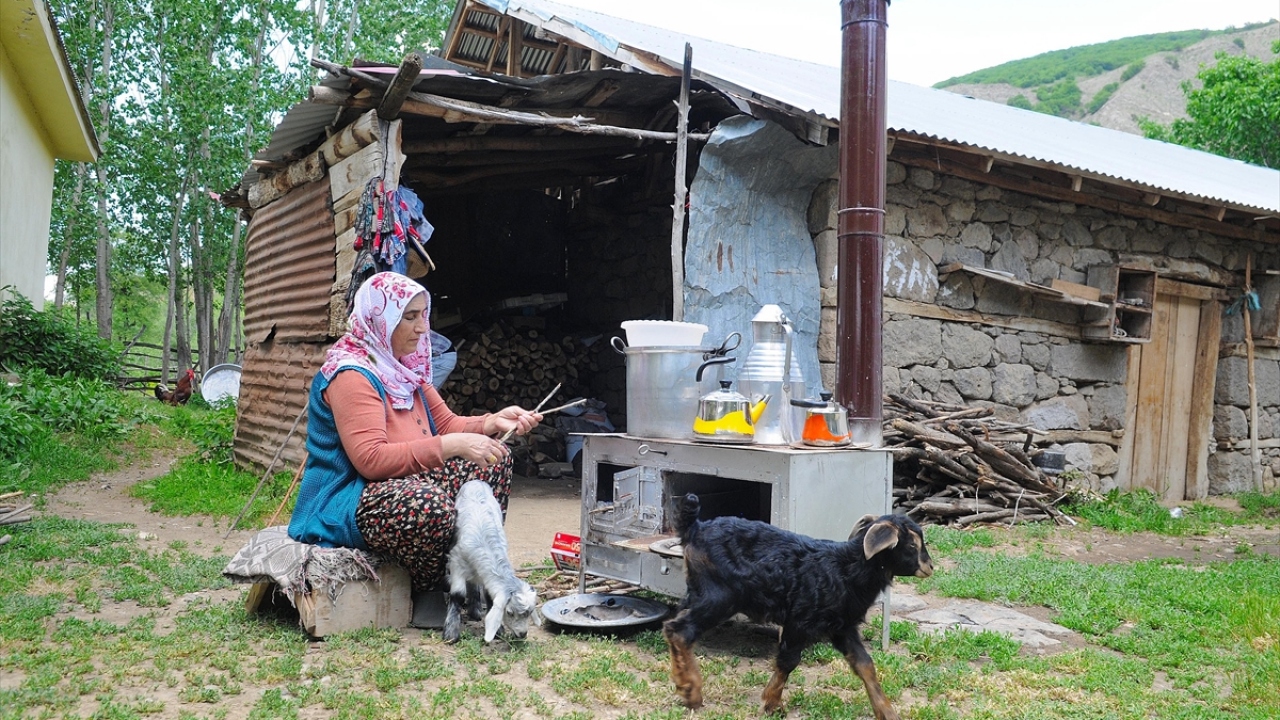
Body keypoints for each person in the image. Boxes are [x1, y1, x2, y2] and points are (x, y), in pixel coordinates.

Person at [288, 271, 542, 591]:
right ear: (380, 319)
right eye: (409, 317)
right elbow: (371, 460)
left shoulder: (403, 368)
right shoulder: (352, 374)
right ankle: (431, 588)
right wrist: (451, 444)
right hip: (347, 498)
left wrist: (492, 423)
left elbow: (447, 425)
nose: (422, 327)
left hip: (399, 485)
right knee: (426, 503)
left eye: (423, 315)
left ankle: (470, 572)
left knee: (494, 457)